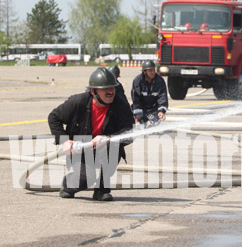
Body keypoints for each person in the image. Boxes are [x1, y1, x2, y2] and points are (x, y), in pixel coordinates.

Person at [48, 67, 134, 201]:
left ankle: (101, 190)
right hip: (80, 151)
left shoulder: (120, 105)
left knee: (113, 149)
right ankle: (68, 184)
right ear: (93, 91)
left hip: (105, 149)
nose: (111, 91)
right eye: (105, 89)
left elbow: (129, 132)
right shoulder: (78, 102)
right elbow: (53, 118)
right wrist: (64, 141)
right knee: (86, 178)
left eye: (112, 87)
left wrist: (108, 139)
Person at [131, 60, 169, 125]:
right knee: (137, 122)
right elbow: (136, 99)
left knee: (154, 124)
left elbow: (162, 97)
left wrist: (161, 111)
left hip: (154, 109)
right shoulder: (137, 81)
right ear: (144, 71)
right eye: (150, 70)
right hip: (142, 109)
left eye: (154, 70)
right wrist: (138, 115)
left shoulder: (160, 81)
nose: (153, 72)